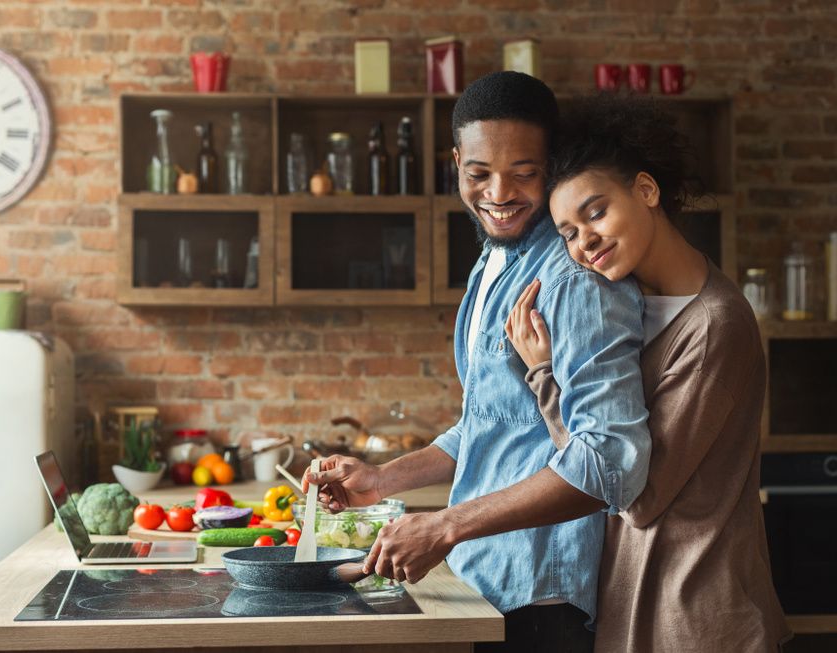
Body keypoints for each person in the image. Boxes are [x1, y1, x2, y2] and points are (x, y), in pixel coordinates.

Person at [304, 72, 652, 651]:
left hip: (544, 596)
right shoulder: (493, 263)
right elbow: (490, 421)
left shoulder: (575, 279)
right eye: (479, 173)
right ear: (455, 163)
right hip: (484, 581)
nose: (499, 193)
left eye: (525, 173)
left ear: (552, 167)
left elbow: (611, 461)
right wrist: (383, 477)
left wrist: (443, 524)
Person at [504, 94, 790, 652]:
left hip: (700, 621)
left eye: (595, 212)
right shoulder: (630, 305)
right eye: (567, 231)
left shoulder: (713, 326)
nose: (584, 241)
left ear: (646, 190)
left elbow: (635, 490)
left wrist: (544, 376)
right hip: (644, 605)